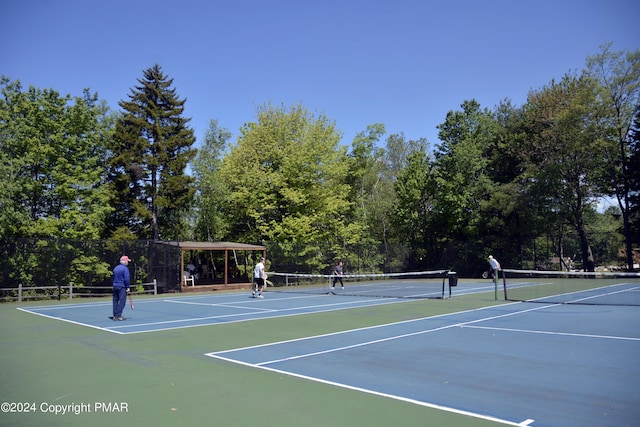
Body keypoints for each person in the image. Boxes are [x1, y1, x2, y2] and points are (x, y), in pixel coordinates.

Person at [112, 255, 131, 321]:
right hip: (122, 286)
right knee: (122, 301)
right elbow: (126, 279)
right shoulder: (125, 269)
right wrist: (128, 287)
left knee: (115, 300)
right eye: (127, 261)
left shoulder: (116, 268)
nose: (128, 262)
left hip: (115, 286)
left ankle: (115, 314)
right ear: (125, 261)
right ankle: (118, 315)